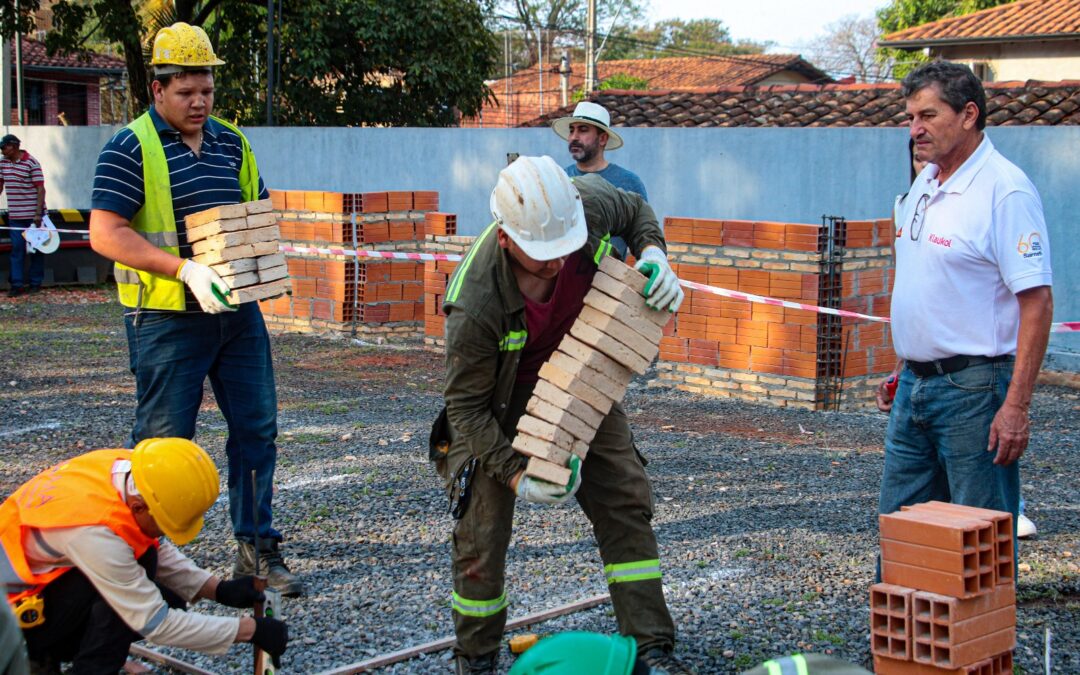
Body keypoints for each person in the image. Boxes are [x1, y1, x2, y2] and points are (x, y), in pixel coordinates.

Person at [432, 155, 690, 674]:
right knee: (481, 533)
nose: (556, 264)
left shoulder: (584, 206)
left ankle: (652, 646)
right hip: (497, 402)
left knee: (623, 495)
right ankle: (476, 657)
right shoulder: (475, 301)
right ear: (506, 240)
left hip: (578, 375)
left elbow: (637, 210)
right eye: (540, 256)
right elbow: (466, 408)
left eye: (562, 250)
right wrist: (517, 475)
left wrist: (656, 255)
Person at [88, 22, 302, 596]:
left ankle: (256, 549)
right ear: (157, 90)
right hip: (165, 319)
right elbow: (105, 233)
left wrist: (261, 269)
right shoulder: (130, 147)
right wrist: (184, 270)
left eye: (206, 89)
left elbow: (255, 214)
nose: (199, 102)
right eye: (185, 92)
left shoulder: (232, 142)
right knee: (162, 444)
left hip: (235, 316)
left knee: (256, 430)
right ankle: (141, 560)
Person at [876, 62, 1054, 547]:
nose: (915, 129)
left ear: (969, 114)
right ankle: (905, 627)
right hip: (915, 387)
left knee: (979, 542)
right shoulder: (923, 185)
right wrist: (901, 367)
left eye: (928, 115)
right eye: (910, 117)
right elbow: (923, 284)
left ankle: (982, 629)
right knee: (904, 533)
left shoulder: (1004, 190)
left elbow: (1037, 302)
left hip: (975, 390)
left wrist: (1016, 406)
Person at [0, 438, 289, 673]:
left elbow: (146, 543)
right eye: (164, 523)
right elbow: (154, 622)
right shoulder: (93, 534)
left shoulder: (133, 470)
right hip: (11, 624)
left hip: (37, 593)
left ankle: (43, 655)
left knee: (164, 590)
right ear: (139, 507)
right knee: (124, 606)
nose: (165, 532)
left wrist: (217, 589)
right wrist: (249, 630)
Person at [553, 101, 648, 258]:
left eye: (583, 130)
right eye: (571, 130)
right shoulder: (560, 179)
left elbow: (642, 232)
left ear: (602, 138)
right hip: (564, 276)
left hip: (609, 278)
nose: (574, 137)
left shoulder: (629, 183)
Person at [0, 134, 46, 297]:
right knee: (17, 248)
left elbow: (40, 189)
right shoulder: (2, 163)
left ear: (13, 146)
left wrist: (38, 213)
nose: (2, 150)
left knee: (36, 250)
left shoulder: (31, 162)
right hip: (16, 215)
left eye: (4, 146)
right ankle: (17, 284)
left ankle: (35, 282)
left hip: (33, 215)